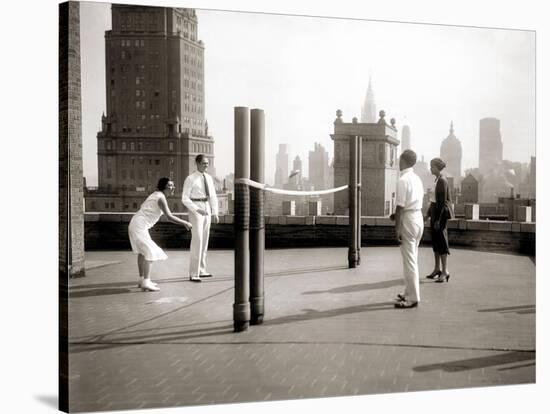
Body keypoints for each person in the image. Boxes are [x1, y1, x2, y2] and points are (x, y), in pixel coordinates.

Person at [129, 177, 192, 292]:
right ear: (164, 187)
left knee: (142, 253)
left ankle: (142, 279)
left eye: (173, 185)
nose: (173, 187)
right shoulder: (160, 198)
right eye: (170, 186)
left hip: (136, 224)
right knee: (150, 252)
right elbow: (169, 217)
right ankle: (146, 282)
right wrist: (185, 223)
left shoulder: (156, 195)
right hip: (139, 226)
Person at [393, 150, 424, 309]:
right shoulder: (417, 179)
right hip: (418, 219)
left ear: (403, 161)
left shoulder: (403, 180)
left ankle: (413, 298)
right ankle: (408, 292)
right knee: (413, 258)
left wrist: (397, 229)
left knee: (409, 261)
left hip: (408, 221)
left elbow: (400, 207)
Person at [182, 154, 219, 282]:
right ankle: (194, 273)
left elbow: (213, 196)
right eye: (203, 163)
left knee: (205, 239)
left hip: (207, 207)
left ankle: (202, 270)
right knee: (197, 240)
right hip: (196, 208)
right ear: (197, 164)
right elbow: (185, 198)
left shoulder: (208, 178)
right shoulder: (190, 179)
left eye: (207, 163)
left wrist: (215, 212)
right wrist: (197, 209)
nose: (206, 165)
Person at [425, 158, 453, 283]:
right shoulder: (436, 180)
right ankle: (437, 269)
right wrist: (428, 215)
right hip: (435, 214)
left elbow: (442, 203)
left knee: (441, 242)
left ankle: (445, 271)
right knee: (436, 242)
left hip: (440, 215)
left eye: (432, 166)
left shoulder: (442, 180)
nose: (430, 168)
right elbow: (433, 201)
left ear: (436, 167)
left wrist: (438, 220)